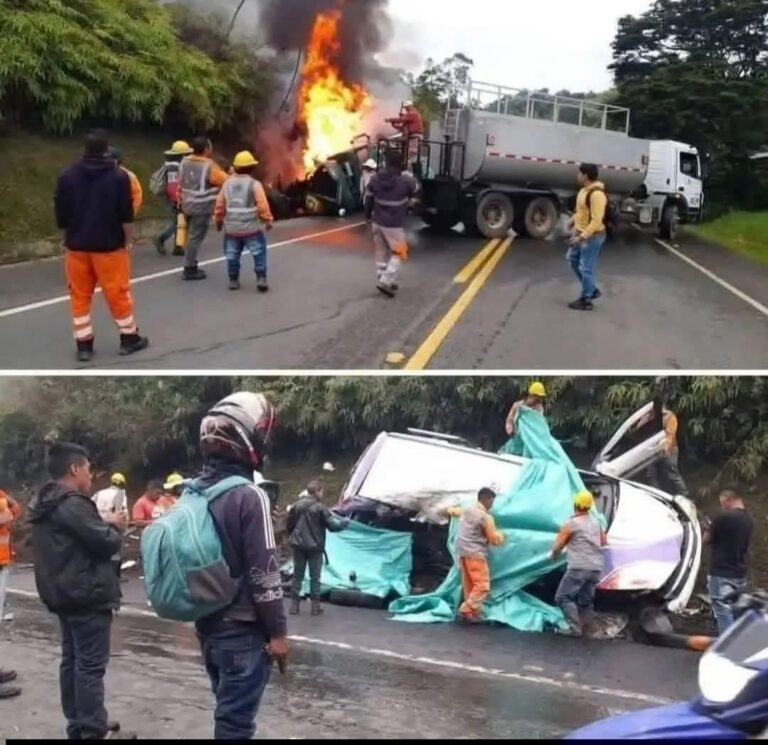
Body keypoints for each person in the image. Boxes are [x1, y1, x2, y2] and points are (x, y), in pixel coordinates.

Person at [195, 392, 288, 740]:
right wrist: (278, 634)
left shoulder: (197, 491)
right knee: (235, 725)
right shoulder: (251, 496)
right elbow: (265, 572)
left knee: (226, 709)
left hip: (207, 626)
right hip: (243, 633)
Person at [27, 442, 133, 740]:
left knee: (72, 660)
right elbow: (105, 543)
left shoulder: (46, 501)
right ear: (75, 468)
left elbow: (79, 533)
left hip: (62, 593)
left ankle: (80, 721)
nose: (90, 474)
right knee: (89, 666)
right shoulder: (73, 502)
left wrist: (103, 521)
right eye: (88, 468)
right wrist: (116, 528)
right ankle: (91, 730)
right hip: (87, 594)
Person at [54, 130, 149, 362]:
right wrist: (127, 241)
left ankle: (84, 345)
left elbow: (61, 210)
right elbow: (126, 214)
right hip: (109, 247)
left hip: (77, 247)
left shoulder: (67, 175)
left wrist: (66, 236)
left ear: (84, 149)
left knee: (79, 295)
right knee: (117, 292)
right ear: (106, 150)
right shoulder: (119, 177)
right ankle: (129, 338)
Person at [213, 151, 275, 292]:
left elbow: (219, 206)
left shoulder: (227, 184)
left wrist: (218, 222)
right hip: (251, 229)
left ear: (236, 167)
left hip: (232, 230)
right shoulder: (255, 184)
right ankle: (261, 278)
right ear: (252, 168)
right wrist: (268, 220)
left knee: (232, 255)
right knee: (259, 252)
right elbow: (262, 205)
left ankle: (233, 280)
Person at [287, 480, 350, 617]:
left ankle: (294, 606)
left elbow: (289, 524)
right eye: (321, 491)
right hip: (315, 547)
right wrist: (345, 523)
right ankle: (315, 607)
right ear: (318, 492)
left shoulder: (296, 506)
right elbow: (333, 527)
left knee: (297, 576)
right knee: (315, 577)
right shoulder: (320, 508)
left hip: (298, 545)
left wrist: (294, 537)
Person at [551, 490, 607, 638]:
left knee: (562, 597)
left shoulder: (572, 523)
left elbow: (558, 545)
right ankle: (587, 629)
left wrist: (553, 557)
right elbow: (604, 542)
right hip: (595, 568)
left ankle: (574, 629)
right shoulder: (596, 523)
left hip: (578, 567)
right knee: (586, 600)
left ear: (575, 504)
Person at [365, 149, 421, 297]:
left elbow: (369, 198)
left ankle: (383, 277)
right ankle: (385, 280)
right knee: (400, 252)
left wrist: (367, 217)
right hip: (393, 225)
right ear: (401, 164)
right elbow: (416, 190)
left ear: (386, 163)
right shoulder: (405, 181)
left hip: (376, 222)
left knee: (381, 251)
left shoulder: (375, 179)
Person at [445, 487, 506, 624]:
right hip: (476, 554)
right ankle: (466, 610)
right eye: (492, 501)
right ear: (487, 499)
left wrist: (450, 509)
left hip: (463, 553)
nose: (492, 505)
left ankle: (472, 613)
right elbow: (493, 539)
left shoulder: (467, 510)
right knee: (482, 586)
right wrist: (502, 536)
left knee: (470, 586)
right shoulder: (486, 517)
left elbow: (453, 511)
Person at [705, 486, 754, 636]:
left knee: (722, 611)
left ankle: (726, 652)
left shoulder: (722, 517)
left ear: (727, 499)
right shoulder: (748, 520)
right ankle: (738, 649)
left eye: (722, 502)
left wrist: (707, 528)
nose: (722, 506)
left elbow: (706, 540)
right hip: (739, 574)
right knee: (737, 611)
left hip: (721, 573)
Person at [178, 136, 228, 281]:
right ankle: (189, 268)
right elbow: (224, 180)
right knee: (195, 237)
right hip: (201, 207)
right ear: (206, 149)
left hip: (186, 204)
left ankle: (191, 263)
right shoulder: (209, 165)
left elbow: (181, 182)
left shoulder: (184, 161)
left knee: (192, 235)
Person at [567, 163, 608, 311]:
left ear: (586, 175)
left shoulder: (597, 195)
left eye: (579, 173)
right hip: (581, 233)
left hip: (593, 236)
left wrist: (582, 237)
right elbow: (581, 212)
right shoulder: (583, 191)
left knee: (586, 267)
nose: (577, 176)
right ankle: (591, 289)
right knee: (572, 259)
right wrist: (572, 223)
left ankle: (586, 299)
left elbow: (596, 221)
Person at [635, 397, 689, 497]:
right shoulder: (650, 417)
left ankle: (685, 495)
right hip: (652, 450)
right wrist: (643, 420)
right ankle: (658, 496)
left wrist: (666, 446)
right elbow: (637, 430)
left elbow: (670, 433)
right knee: (651, 474)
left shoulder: (669, 416)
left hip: (669, 449)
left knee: (672, 474)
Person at [153, 140, 193, 257]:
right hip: (176, 197)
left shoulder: (170, 165)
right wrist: (178, 200)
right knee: (179, 221)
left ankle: (178, 246)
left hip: (172, 197)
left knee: (179, 221)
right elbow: (173, 186)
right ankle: (162, 238)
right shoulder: (177, 167)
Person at [108, 148, 143, 216]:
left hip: (120, 215)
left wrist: (131, 212)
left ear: (117, 160)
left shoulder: (128, 176)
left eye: (112, 159)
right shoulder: (97, 173)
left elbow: (137, 194)